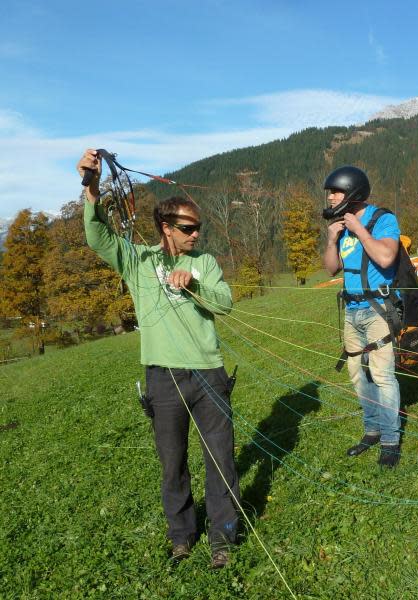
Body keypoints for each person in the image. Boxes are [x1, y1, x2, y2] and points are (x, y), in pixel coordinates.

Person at [76, 149, 240, 568]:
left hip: (209, 375)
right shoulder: (138, 261)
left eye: (199, 227)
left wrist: (195, 287)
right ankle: (181, 536)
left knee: (220, 459)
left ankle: (223, 539)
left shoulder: (205, 262)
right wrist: (91, 186)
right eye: (188, 228)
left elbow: (224, 304)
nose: (196, 234)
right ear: (166, 228)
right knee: (172, 463)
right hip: (163, 378)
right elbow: (98, 238)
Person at [322, 166, 402, 468]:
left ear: (352, 191)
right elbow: (331, 269)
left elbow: (385, 257)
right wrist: (332, 240)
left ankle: (391, 439)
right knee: (357, 374)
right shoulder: (342, 227)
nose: (330, 198)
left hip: (377, 309)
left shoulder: (382, 219)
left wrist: (359, 230)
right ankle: (372, 430)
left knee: (382, 376)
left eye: (335, 192)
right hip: (351, 311)